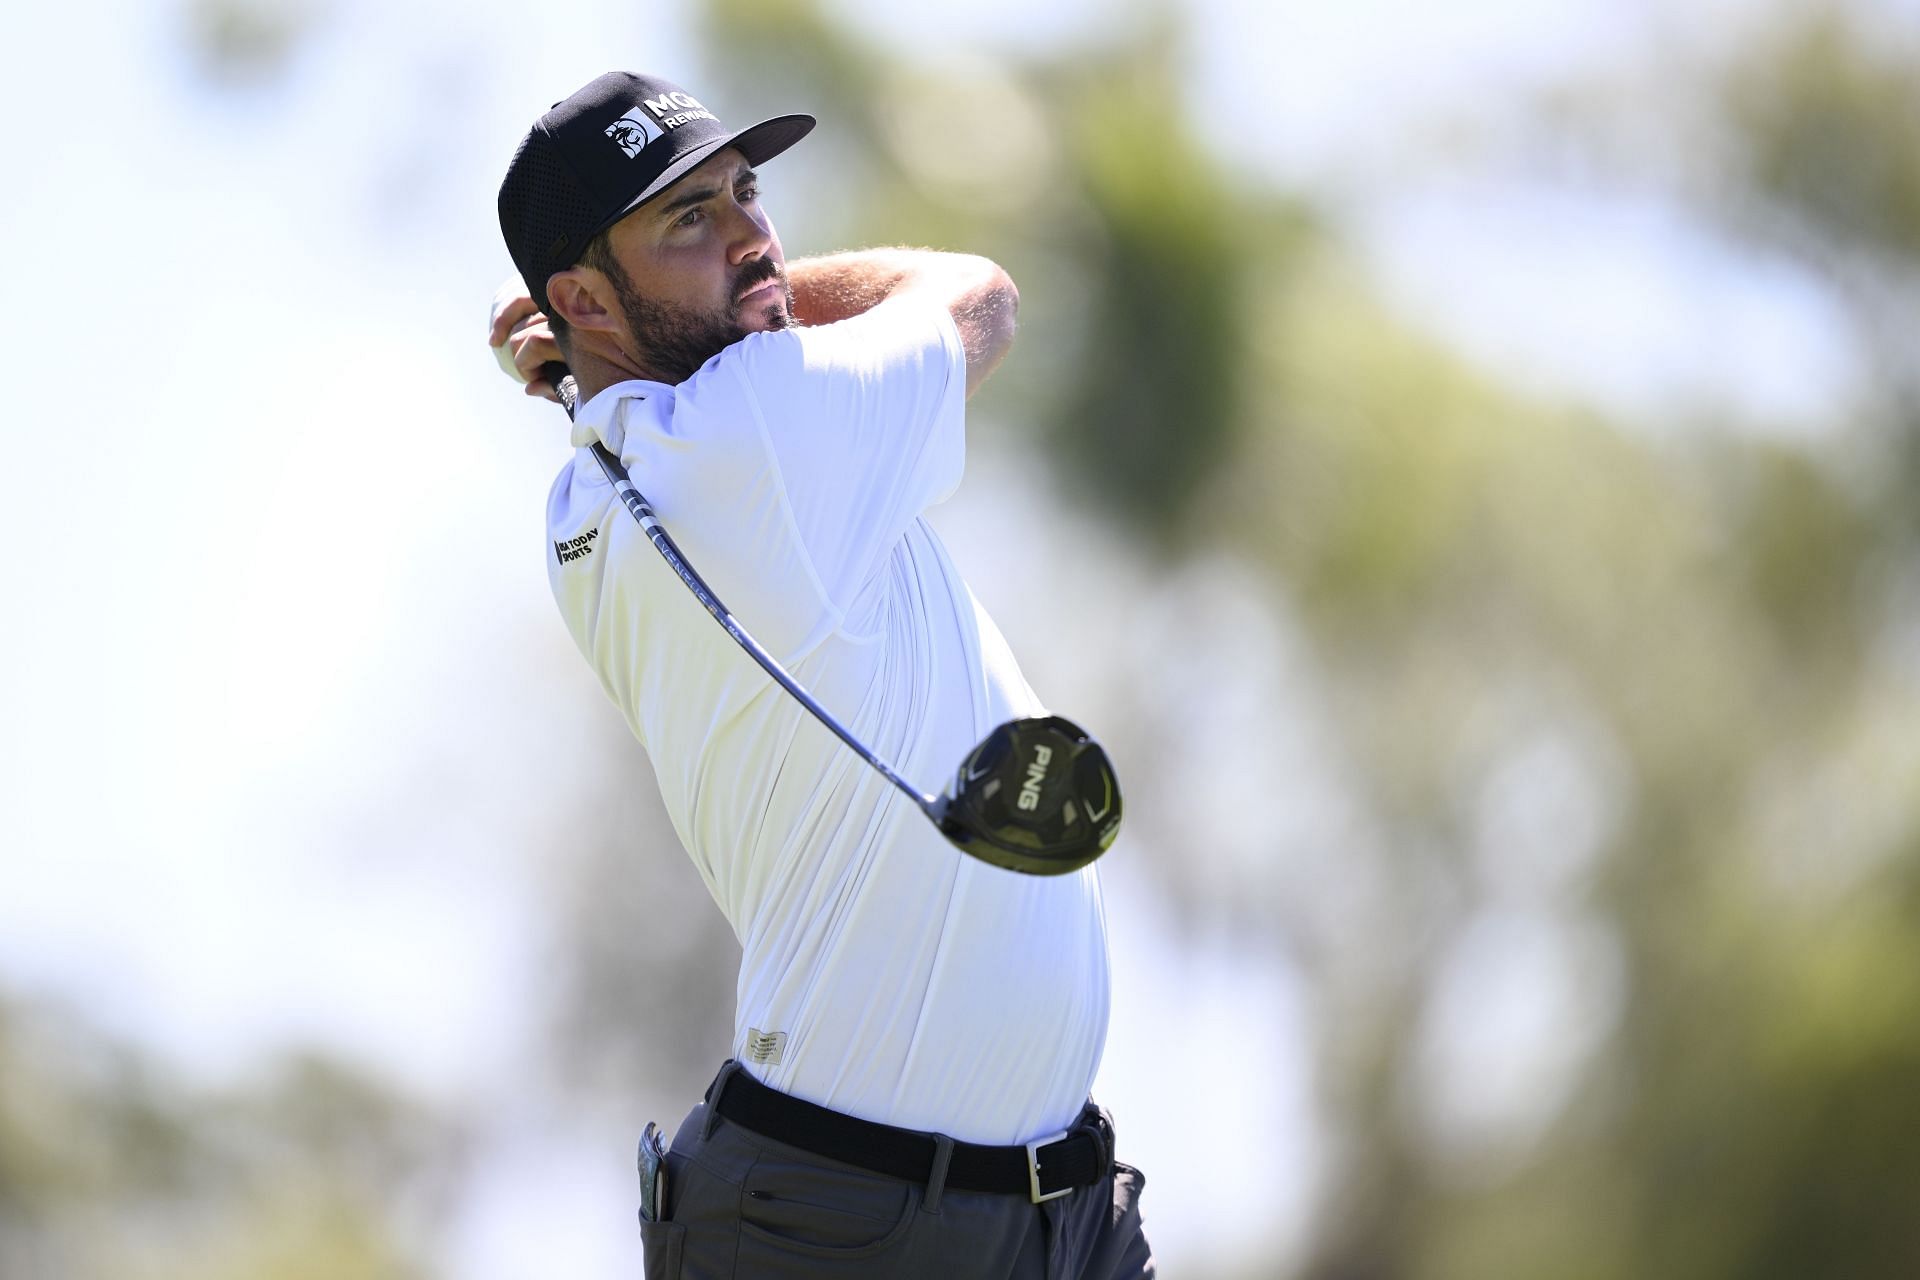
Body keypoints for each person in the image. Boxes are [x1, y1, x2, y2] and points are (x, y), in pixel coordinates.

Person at [490, 71, 1152, 1278]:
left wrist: (584, 346)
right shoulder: (763, 424)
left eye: (747, 193)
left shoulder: (580, 510)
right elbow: (978, 297)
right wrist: (620, 338)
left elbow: (637, 397)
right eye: (688, 219)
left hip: (1041, 1213)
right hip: (852, 1224)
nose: (753, 239)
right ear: (582, 293)